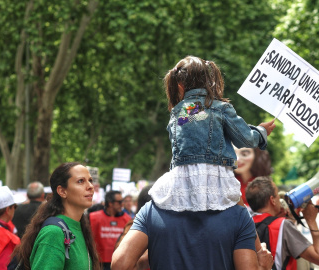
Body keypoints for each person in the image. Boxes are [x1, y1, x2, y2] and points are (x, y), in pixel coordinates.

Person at [112, 56, 275, 270]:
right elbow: (246, 139)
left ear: (179, 84)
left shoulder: (180, 112)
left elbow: (119, 264)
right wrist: (262, 132)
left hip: (181, 178)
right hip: (219, 180)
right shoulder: (219, 108)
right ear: (210, 80)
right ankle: (260, 251)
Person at [11, 162, 100, 270]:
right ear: (62, 191)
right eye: (80, 181)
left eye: (90, 180)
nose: (90, 186)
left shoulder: (80, 226)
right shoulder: (54, 233)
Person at [245, 177, 319, 269]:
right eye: (277, 194)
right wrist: (311, 220)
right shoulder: (282, 225)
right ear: (272, 200)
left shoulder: (246, 225)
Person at [90, 190, 131, 269]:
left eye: (122, 201)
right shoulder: (93, 218)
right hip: (99, 263)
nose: (122, 204)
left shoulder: (127, 219)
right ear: (110, 203)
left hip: (119, 262)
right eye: (119, 202)